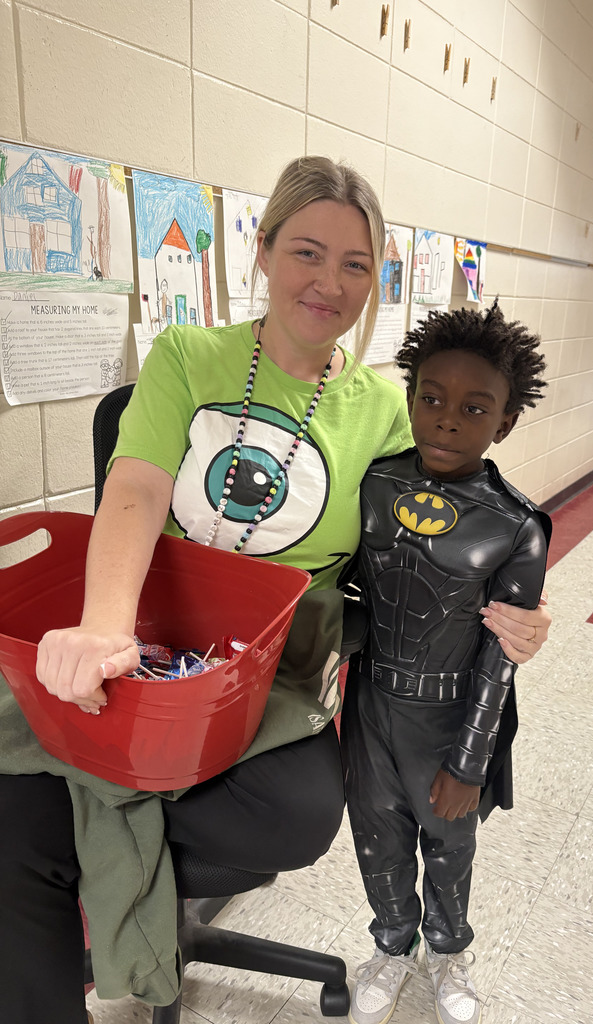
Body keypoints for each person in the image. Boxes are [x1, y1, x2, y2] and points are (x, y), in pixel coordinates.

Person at [0, 157, 552, 1024]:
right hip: (145, 640)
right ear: (260, 251)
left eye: (356, 265)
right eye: (306, 252)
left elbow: (459, 521)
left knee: (294, 817)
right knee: (12, 817)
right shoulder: (186, 357)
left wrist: (518, 610)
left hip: (269, 675)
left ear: (377, 279)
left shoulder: (386, 410)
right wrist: (105, 629)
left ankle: (104, 814)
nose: (328, 283)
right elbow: (136, 489)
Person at [342, 302, 550, 1024]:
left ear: (506, 421)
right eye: (430, 399)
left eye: (473, 407)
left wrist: (471, 759)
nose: (447, 420)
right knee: (378, 834)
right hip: (370, 703)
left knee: (449, 842)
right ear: (410, 398)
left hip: (449, 709)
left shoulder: (516, 524)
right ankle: (392, 945)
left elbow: (502, 654)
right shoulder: (371, 484)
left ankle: (447, 949)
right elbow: (339, 586)